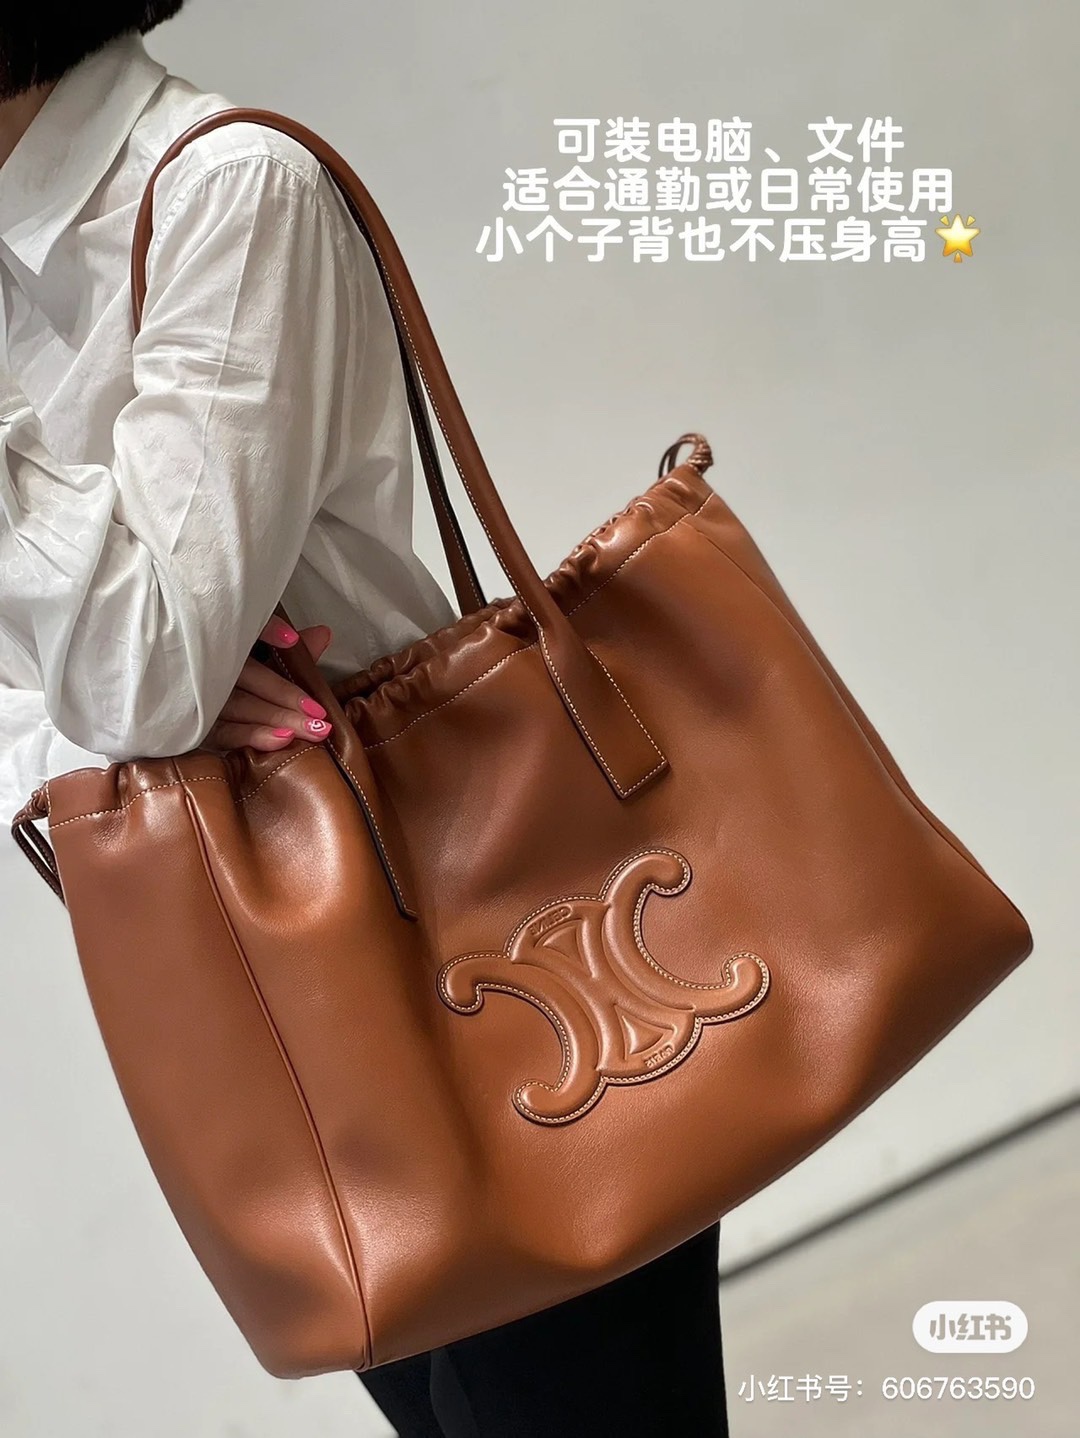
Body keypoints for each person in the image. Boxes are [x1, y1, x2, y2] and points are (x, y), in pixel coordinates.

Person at [0, 8, 730, 1435]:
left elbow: (141, 669)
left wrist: (133, 695)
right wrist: (111, 715)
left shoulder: (225, 190)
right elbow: (108, 697)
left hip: (482, 940)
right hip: (257, 980)